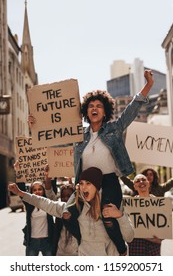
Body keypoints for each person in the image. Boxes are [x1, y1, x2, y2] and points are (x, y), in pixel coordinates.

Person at [28, 69, 154, 255]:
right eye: (91, 106)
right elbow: (55, 137)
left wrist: (148, 85)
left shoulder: (114, 129)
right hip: (85, 184)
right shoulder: (78, 135)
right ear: (86, 111)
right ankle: (82, 241)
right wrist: (36, 125)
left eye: (99, 106)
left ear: (105, 111)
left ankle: (121, 248)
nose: (94, 108)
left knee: (108, 218)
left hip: (109, 181)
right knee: (68, 214)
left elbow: (131, 110)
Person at [8, 167, 134, 256]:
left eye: (89, 183)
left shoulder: (112, 207)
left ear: (97, 186)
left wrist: (120, 216)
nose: (84, 187)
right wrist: (21, 193)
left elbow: (129, 237)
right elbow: (46, 203)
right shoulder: (75, 208)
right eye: (82, 183)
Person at [128, 173, 162, 256]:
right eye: (137, 181)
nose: (141, 182)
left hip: (153, 250)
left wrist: (156, 239)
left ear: (148, 183)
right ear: (135, 186)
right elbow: (127, 230)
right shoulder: (130, 205)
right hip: (135, 249)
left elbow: (162, 234)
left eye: (143, 179)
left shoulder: (159, 204)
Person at [21, 181, 54, 256]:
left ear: (43, 190)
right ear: (31, 192)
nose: (37, 192)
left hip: (47, 241)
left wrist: (48, 178)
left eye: (40, 189)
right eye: (34, 190)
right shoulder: (29, 204)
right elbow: (21, 192)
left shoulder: (48, 203)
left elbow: (51, 188)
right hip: (32, 241)